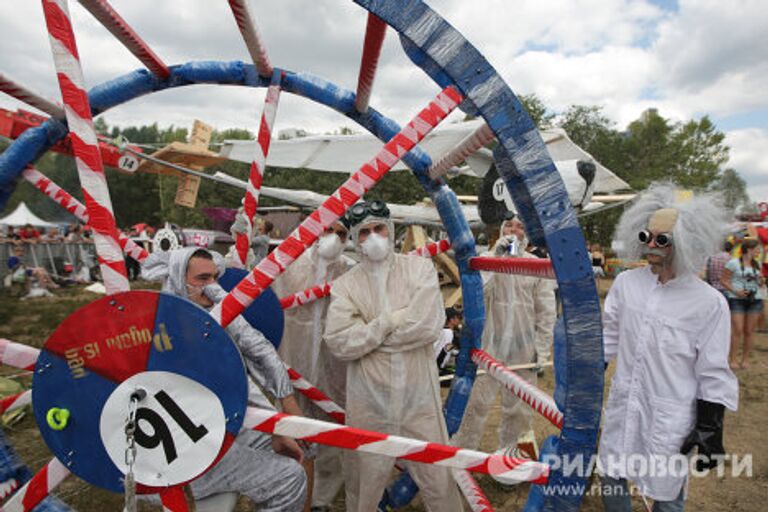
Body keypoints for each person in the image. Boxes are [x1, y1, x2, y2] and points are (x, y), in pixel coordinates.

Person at [600, 183, 738, 511]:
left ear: (687, 242)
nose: (652, 246)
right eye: (646, 237)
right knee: (610, 473)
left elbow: (713, 370)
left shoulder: (709, 303)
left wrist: (709, 427)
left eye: (662, 240)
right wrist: (588, 375)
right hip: (624, 404)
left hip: (669, 416)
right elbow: (608, 338)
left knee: (666, 495)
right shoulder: (626, 285)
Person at [141, 247, 307, 511]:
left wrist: (286, 406)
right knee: (290, 479)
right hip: (185, 450)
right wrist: (276, 425)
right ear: (177, 280)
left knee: (302, 442)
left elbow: (257, 348)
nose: (212, 287)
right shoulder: (161, 331)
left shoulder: (210, 316)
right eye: (202, 280)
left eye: (215, 278)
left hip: (220, 426)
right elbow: (230, 389)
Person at [323, 200, 462, 512]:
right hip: (370, 400)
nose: (373, 237)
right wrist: (389, 321)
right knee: (364, 484)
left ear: (391, 229)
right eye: (364, 232)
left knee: (438, 477)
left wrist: (369, 334)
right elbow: (339, 341)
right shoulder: (346, 285)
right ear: (356, 238)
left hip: (419, 397)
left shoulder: (420, 268)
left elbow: (426, 327)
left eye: (379, 229)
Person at [452, 213, 556, 458]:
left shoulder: (536, 266)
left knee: (518, 410)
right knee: (475, 404)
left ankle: (510, 460)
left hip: (523, 348)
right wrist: (494, 260)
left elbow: (546, 311)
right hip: (488, 346)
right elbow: (477, 293)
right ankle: (462, 457)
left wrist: (541, 350)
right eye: (508, 225)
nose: (513, 230)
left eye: (520, 227)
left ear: (527, 235)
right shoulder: (485, 260)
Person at [272, 220, 353, 512]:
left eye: (342, 234)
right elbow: (257, 282)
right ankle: (288, 492)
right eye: (329, 230)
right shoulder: (290, 262)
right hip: (291, 357)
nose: (335, 238)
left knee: (330, 428)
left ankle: (320, 499)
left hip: (331, 366)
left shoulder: (346, 270)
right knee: (289, 427)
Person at [721, 238, 764, 369]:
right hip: (736, 299)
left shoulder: (757, 264)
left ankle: (745, 359)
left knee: (749, 331)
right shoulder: (733, 263)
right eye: (757, 249)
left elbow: (760, 284)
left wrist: (761, 280)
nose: (759, 251)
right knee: (737, 330)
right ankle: (733, 359)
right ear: (749, 249)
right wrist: (736, 291)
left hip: (754, 299)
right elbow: (724, 280)